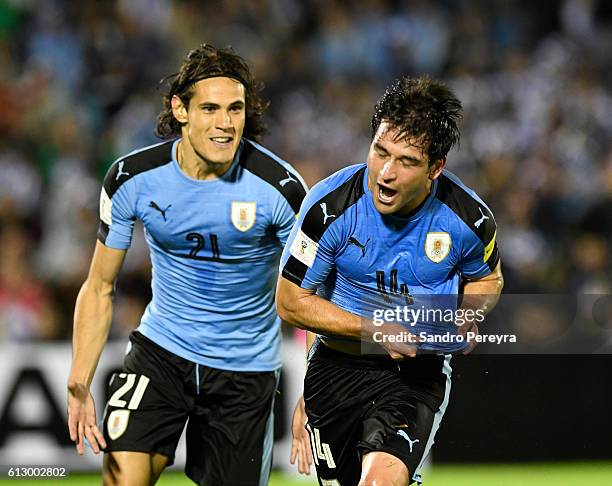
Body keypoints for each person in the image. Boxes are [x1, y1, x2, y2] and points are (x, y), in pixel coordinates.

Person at [66, 44, 307, 485]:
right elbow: (100, 286)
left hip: (245, 370)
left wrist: (311, 393)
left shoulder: (281, 190)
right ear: (180, 109)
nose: (226, 124)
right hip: (162, 353)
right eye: (210, 109)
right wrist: (79, 381)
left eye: (235, 109)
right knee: (121, 480)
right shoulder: (130, 179)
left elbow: (307, 296)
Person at [276, 76, 503, 485]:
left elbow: (488, 279)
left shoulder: (469, 219)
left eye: (407, 161)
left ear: (435, 168)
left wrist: (469, 313)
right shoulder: (328, 208)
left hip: (415, 376)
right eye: (380, 151)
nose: (386, 172)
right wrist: (376, 330)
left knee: (380, 480)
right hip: (336, 369)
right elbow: (291, 300)